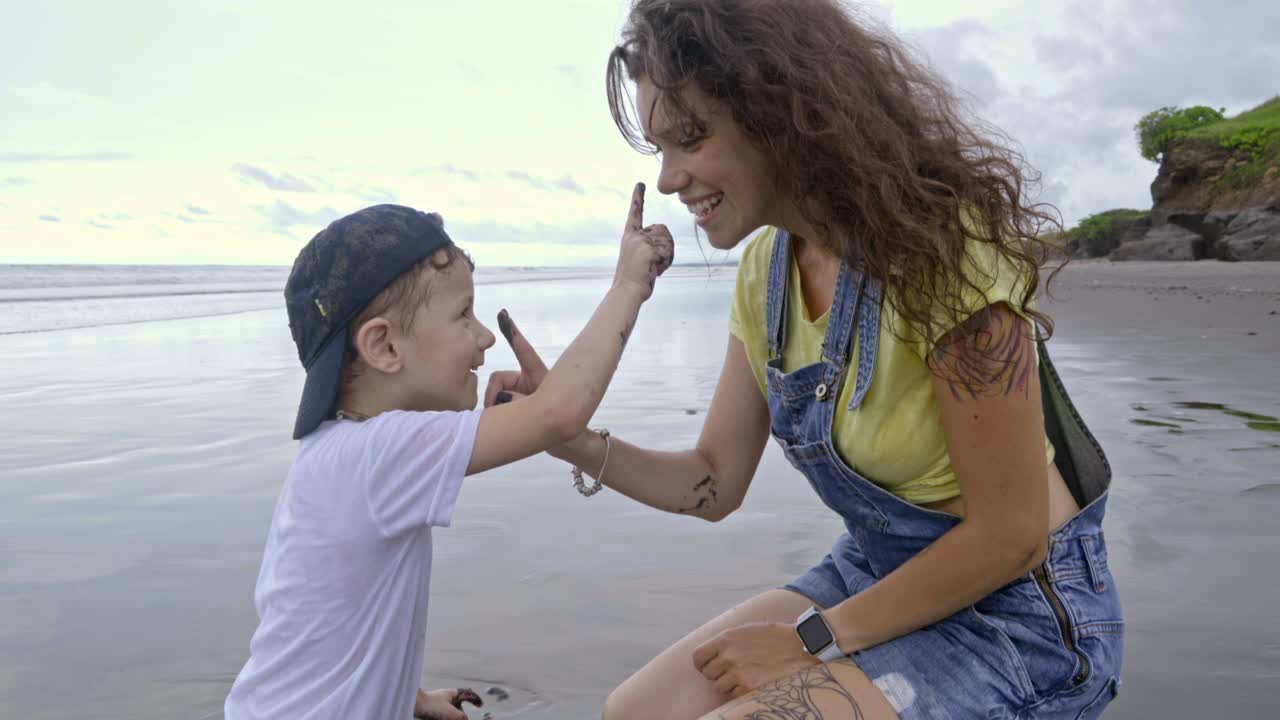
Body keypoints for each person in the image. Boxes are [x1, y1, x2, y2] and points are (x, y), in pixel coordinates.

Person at [486, 1, 1122, 718]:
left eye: (690, 138)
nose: (667, 178)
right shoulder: (766, 273)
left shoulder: (943, 253)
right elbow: (713, 483)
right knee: (632, 712)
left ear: (781, 112)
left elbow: (1012, 538)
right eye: (658, 151)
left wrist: (811, 640)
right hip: (875, 574)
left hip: (1020, 620)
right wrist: (560, 433)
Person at [224, 196, 674, 719]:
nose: (484, 336)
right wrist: (628, 287)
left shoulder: (341, 452)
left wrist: (409, 699)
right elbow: (559, 413)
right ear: (385, 347)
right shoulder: (380, 454)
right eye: (464, 314)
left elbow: (326, 618)